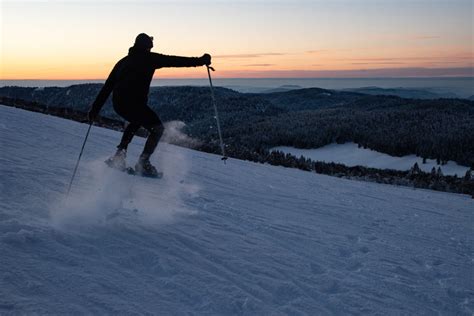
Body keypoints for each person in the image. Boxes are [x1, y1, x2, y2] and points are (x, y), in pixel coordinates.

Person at [88, 33, 211, 176]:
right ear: (148, 46)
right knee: (157, 129)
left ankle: (119, 157)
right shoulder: (149, 58)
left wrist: (94, 110)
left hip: (119, 104)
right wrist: (201, 61)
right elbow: (175, 61)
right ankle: (143, 163)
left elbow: (107, 87)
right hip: (135, 105)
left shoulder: (122, 62)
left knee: (135, 120)